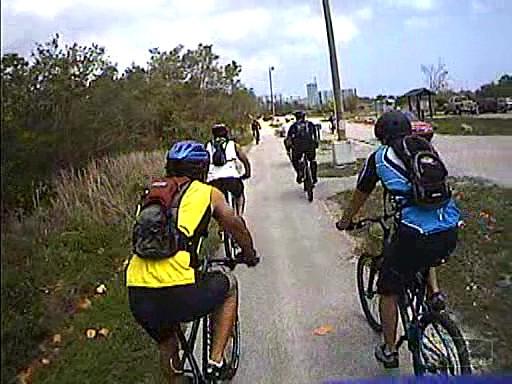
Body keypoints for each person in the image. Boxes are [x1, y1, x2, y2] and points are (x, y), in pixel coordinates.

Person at [127, 141, 259, 383]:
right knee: (229, 284)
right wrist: (249, 254)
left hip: (138, 293)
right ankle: (216, 361)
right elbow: (235, 225)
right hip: (179, 290)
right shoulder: (207, 192)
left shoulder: (152, 194)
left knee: (167, 341)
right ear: (202, 168)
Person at [336, 111, 460, 369]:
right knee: (426, 251)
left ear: (380, 134)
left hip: (414, 234)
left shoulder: (379, 157)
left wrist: (345, 221)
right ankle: (434, 293)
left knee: (388, 289)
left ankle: (390, 350)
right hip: (448, 227)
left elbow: (359, 195)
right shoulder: (425, 148)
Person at [206, 123, 251, 215]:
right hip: (231, 177)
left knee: (218, 202)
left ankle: (221, 225)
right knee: (239, 195)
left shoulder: (208, 145)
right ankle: (239, 215)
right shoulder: (233, 145)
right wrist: (247, 172)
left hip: (213, 179)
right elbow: (244, 159)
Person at [286, 110, 319, 184]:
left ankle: (299, 173)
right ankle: (314, 177)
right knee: (312, 160)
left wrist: (288, 149)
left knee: (295, 160)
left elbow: (288, 139)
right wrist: (316, 143)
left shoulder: (293, 126)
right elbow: (315, 135)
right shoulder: (310, 124)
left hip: (298, 147)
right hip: (310, 145)